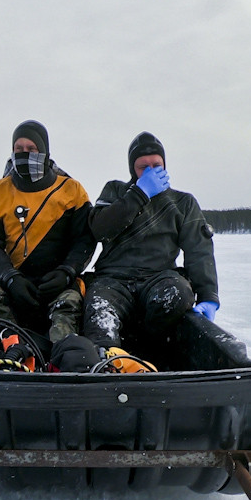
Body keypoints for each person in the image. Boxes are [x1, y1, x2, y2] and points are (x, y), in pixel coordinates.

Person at [83, 131, 219, 350]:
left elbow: (199, 250)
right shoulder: (115, 191)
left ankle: (151, 352)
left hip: (159, 278)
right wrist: (139, 193)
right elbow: (100, 229)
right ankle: (108, 363)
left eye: (156, 165)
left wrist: (208, 296)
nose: (151, 171)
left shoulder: (182, 202)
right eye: (143, 167)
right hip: (112, 279)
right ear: (132, 168)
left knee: (178, 294)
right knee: (99, 313)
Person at [0, 120, 96, 345]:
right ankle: (16, 344)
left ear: (44, 151)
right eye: (19, 149)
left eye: (31, 149)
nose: (24, 154)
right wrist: (10, 277)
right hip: (14, 281)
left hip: (57, 282)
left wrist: (66, 272)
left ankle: (59, 354)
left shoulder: (71, 190)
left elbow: (84, 239)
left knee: (69, 307)